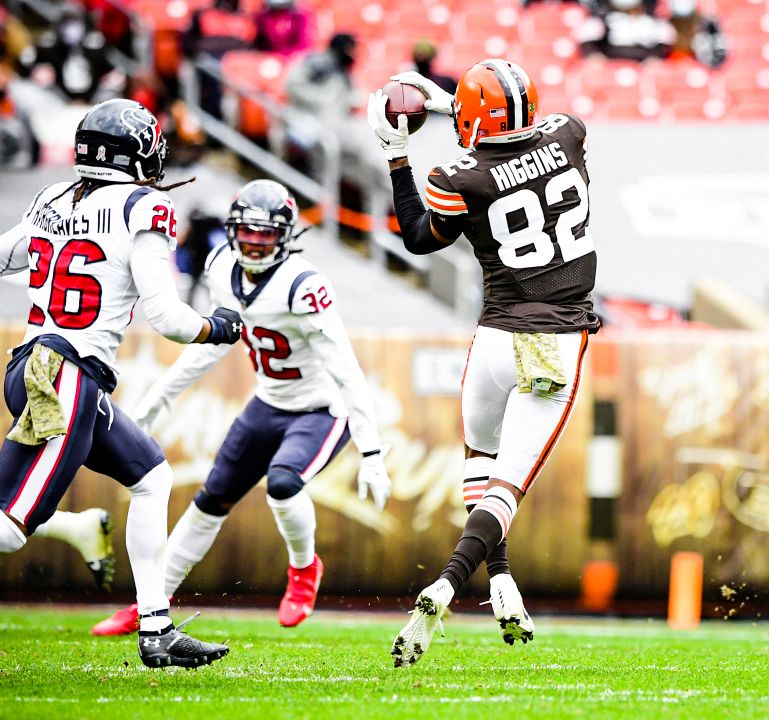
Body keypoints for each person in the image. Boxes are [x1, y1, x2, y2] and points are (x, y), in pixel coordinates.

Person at [367, 59, 601, 665]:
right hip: (553, 339)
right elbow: (519, 139)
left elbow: (419, 237)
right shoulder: (568, 133)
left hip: (494, 338)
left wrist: (398, 154)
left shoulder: (456, 176)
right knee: (506, 489)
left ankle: (499, 581)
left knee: (482, 461)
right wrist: (453, 104)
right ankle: (445, 586)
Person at [0, 99, 243, 668]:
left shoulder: (53, 199)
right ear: (134, 151)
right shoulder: (143, 206)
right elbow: (170, 320)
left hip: (38, 368)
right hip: (66, 380)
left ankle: (155, 629)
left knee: (151, 476)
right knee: (10, 530)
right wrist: (217, 325)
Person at [90, 179, 391, 636]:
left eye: (265, 234)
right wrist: (156, 404)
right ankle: (150, 604)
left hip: (323, 408)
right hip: (268, 401)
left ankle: (304, 568)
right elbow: (212, 345)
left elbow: (345, 367)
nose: (253, 243)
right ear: (232, 230)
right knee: (210, 499)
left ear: (286, 236)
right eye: (246, 232)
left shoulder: (302, 285)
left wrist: (372, 453)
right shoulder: (220, 266)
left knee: (284, 484)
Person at [577, 0, 675, 61]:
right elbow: (588, 44)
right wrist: (596, 58)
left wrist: (654, 59)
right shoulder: (602, 19)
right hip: (610, 68)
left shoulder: (656, 23)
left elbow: (663, 44)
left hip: (644, 67)